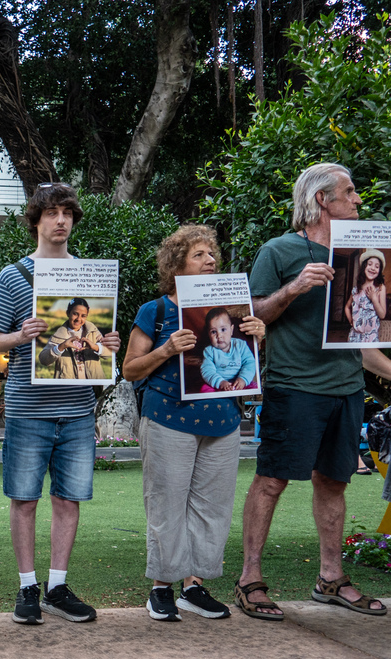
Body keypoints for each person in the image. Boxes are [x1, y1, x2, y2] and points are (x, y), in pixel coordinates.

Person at [237, 162, 390, 619]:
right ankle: (250, 580)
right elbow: (254, 317)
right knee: (271, 480)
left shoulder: (364, 255)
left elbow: (364, 338)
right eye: (350, 191)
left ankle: (330, 578)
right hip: (294, 387)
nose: (358, 199)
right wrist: (294, 287)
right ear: (322, 200)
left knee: (335, 482)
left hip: (345, 390)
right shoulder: (279, 250)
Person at [0, 183, 121, 625]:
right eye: (51, 213)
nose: (60, 220)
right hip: (28, 408)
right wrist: (20, 336)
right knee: (24, 500)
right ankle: (27, 588)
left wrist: (109, 343)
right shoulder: (13, 275)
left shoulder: (90, 276)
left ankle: (57, 587)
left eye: (66, 212)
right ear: (36, 221)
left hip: (78, 409)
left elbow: (99, 346)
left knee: (69, 500)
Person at [122, 225, 265, 621]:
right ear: (176, 264)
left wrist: (257, 334)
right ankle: (161, 590)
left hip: (223, 421)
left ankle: (194, 587)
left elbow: (244, 363)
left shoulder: (233, 311)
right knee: (168, 505)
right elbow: (130, 370)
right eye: (199, 254)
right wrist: (167, 349)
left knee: (212, 508)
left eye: (212, 254)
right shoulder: (157, 310)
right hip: (169, 418)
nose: (210, 260)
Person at [37, 298, 106, 380]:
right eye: (75, 314)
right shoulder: (59, 335)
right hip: (68, 386)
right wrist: (61, 347)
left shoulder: (92, 331)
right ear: (68, 313)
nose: (78, 319)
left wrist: (95, 347)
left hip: (92, 385)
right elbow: (44, 360)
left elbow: (109, 353)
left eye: (83, 316)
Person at [198, 308, 258, 392]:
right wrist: (220, 382)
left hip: (240, 382)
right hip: (218, 384)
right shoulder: (209, 351)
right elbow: (207, 371)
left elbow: (250, 363)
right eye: (213, 332)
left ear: (231, 330)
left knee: (255, 387)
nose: (219, 335)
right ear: (209, 334)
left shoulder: (241, 345)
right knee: (204, 389)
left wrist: (243, 379)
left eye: (223, 330)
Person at [345, 249, 386, 343]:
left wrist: (374, 299)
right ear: (364, 266)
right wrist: (351, 321)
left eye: (377, 266)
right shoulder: (356, 289)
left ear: (379, 271)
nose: (372, 268)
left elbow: (382, 315)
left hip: (371, 337)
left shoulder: (380, 288)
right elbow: (347, 307)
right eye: (370, 264)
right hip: (354, 336)